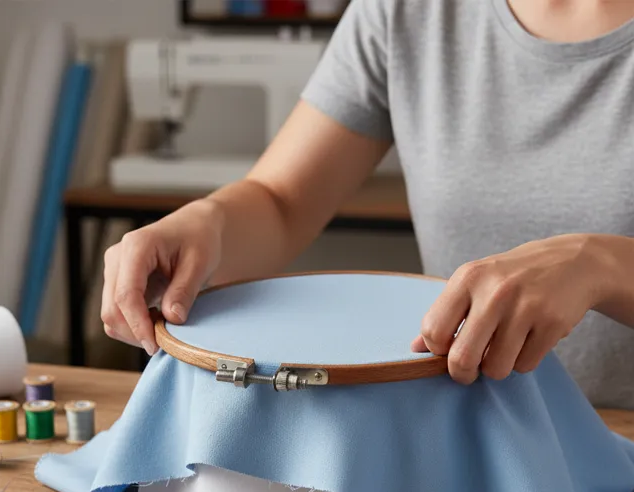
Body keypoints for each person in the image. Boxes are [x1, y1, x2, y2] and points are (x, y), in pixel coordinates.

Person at [102, 0, 634, 408]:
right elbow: (281, 201)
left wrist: (598, 264)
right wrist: (207, 222)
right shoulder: (406, 11)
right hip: (466, 431)